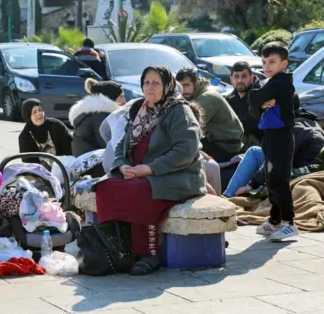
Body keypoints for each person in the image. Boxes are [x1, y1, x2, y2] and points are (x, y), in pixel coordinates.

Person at [95, 66, 206, 275]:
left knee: (140, 192)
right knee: (104, 187)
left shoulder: (179, 110)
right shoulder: (140, 109)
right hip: (138, 173)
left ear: (167, 85)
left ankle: (148, 253)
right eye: (146, 82)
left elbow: (185, 151)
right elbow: (122, 144)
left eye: (156, 82)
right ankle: (118, 248)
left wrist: (149, 169)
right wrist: (122, 165)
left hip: (176, 176)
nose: (149, 87)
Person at [225, 95, 324, 197]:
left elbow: (275, 160)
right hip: (299, 166)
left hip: (300, 173)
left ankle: (229, 196)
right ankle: (229, 194)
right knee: (255, 151)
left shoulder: (295, 129)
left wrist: (251, 186)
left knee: (257, 154)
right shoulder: (308, 122)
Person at [248, 41, 297, 241]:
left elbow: (253, 97)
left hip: (281, 137)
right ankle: (275, 220)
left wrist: (258, 99)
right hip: (270, 136)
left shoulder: (282, 83)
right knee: (271, 180)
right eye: (264, 62)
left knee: (279, 180)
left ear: (284, 64)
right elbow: (253, 108)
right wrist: (260, 104)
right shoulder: (271, 84)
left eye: (272, 62)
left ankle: (289, 222)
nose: (267, 66)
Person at [176, 68, 244, 162]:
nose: (183, 90)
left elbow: (188, 126)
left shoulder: (206, 98)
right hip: (218, 141)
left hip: (225, 147)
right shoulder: (199, 93)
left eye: (186, 85)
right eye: (180, 86)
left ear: (196, 82)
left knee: (183, 157)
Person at [69, 78, 124, 158]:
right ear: (111, 96)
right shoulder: (100, 116)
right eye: (121, 97)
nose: (124, 100)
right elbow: (109, 145)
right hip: (90, 165)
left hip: (88, 161)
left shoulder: (97, 113)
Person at [18, 98, 72, 169]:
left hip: (63, 168)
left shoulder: (56, 126)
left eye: (40, 110)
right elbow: (29, 164)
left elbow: (69, 148)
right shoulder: (24, 137)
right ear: (28, 116)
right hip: (40, 174)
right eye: (34, 112)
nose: (39, 114)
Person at [226, 61, 263, 150]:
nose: (240, 81)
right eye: (236, 76)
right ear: (231, 79)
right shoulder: (229, 99)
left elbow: (248, 126)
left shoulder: (260, 96)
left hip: (257, 146)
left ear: (251, 78)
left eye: (244, 76)